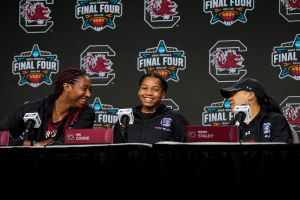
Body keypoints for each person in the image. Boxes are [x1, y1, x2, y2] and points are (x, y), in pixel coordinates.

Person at [0, 67, 95, 146]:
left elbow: (70, 142)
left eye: (90, 90)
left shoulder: (86, 113)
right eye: (84, 89)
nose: (88, 94)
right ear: (67, 87)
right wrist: (30, 144)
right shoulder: (34, 108)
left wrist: (45, 144)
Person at [113, 72, 189, 144]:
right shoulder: (125, 117)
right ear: (139, 91)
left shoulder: (174, 117)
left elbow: (188, 150)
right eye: (144, 88)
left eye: (155, 89)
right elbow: (116, 150)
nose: (149, 93)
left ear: (162, 94)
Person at [220, 78, 293, 143]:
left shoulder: (275, 120)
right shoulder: (233, 124)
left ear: (251, 95)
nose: (229, 98)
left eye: (233, 93)